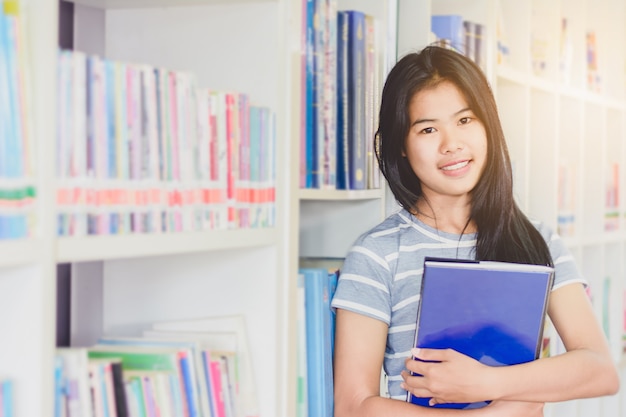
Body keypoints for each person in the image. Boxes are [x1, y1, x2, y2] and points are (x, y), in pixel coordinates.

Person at [330, 45, 620, 417]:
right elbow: (353, 406)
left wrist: (487, 383)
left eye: (465, 121)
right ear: (401, 145)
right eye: (428, 129)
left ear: (489, 125)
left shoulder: (537, 240)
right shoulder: (378, 254)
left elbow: (599, 370)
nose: (452, 145)